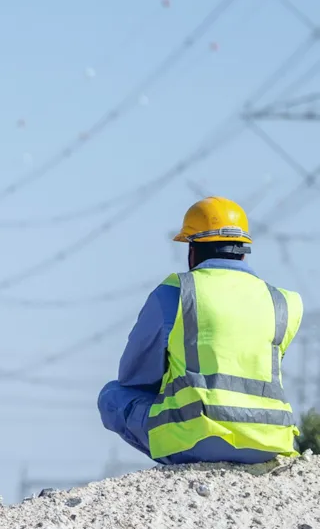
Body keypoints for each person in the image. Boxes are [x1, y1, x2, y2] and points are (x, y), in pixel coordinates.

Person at [98, 196, 303, 465]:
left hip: (198, 441)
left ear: (192, 250)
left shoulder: (175, 292)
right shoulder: (284, 302)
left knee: (113, 395)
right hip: (269, 443)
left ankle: (178, 467)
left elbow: (132, 376)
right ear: (244, 252)